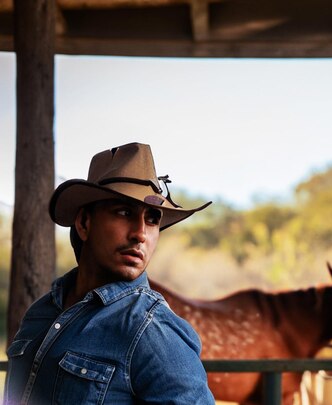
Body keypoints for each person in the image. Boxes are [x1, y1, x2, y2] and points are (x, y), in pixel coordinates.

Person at [4, 142, 216, 404]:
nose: (140, 233)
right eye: (124, 212)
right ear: (84, 223)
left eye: (152, 219)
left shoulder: (152, 329)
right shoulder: (40, 313)